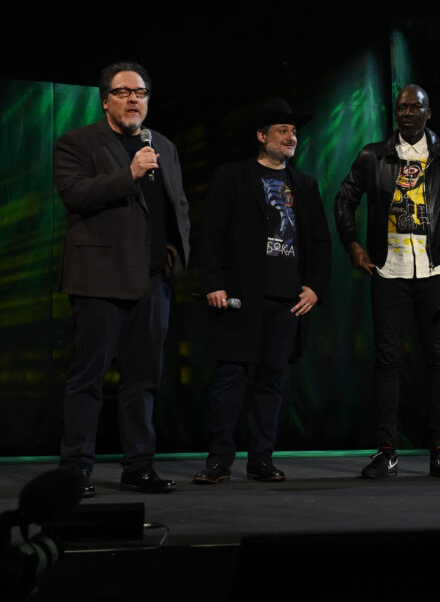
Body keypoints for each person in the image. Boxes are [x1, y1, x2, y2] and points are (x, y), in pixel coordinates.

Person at [54, 61, 190, 496]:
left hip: (153, 282)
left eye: (142, 92)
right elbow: (75, 195)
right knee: (88, 379)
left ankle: (139, 466)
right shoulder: (78, 143)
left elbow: (177, 207)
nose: (134, 99)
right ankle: (76, 467)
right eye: (124, 92)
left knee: (143, 380)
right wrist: (127, 174)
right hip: (99, 282)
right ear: (105, 99)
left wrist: (174, 260)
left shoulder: (162, 145)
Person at [335, 84, 440, 479]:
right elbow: (344, 199)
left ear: (430, 112)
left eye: (416, 107)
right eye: (402, 107)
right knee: (387, 359)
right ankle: (386, 451)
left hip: (435, 270)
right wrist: (352, 245)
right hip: (389, 269)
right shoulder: (374, 154)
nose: (408, 113)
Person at [193, 100, 331, 485]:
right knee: (230, 378)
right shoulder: (233, 177)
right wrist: (213, 282)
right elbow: (211, 234)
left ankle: (261, 459)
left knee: (272, 380)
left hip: (287, 300)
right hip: (239, 297)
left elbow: (320, 243)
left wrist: (315, 288)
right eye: (282, 131)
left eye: (294, 132)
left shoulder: (304, 185)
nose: (291, 137)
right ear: (261, 136)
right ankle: (219, 460)